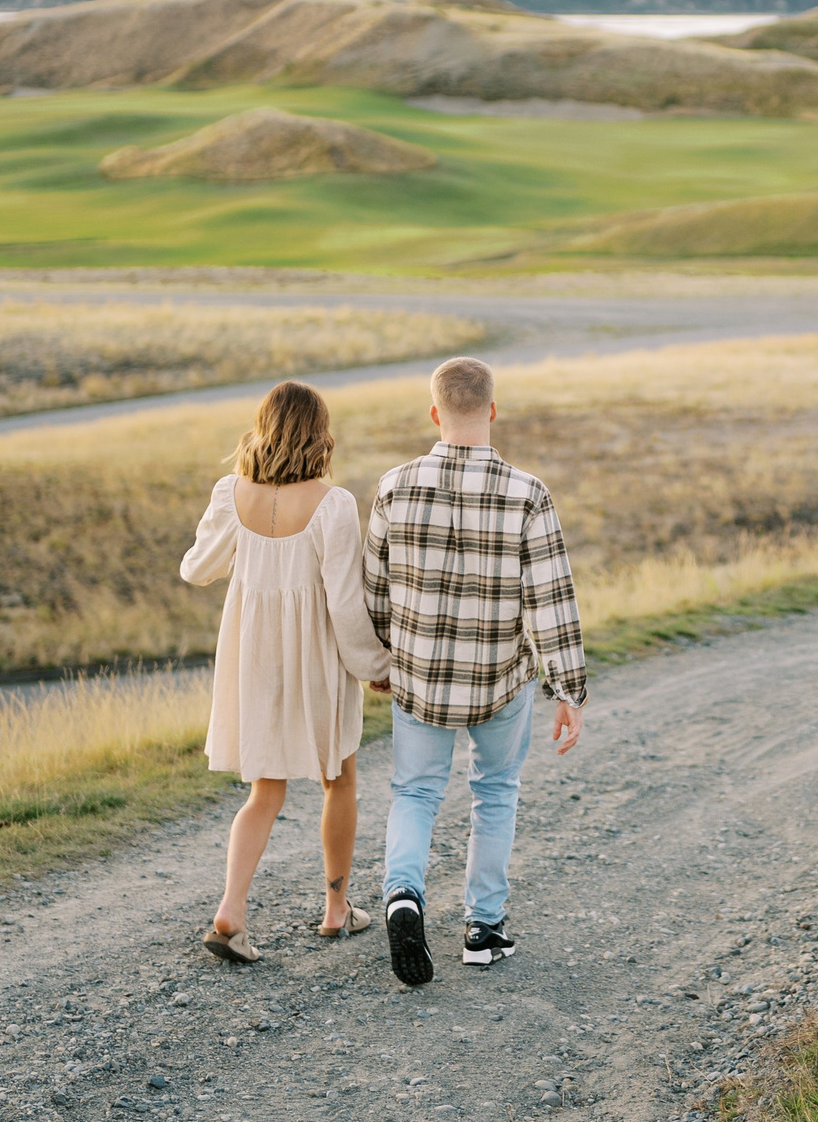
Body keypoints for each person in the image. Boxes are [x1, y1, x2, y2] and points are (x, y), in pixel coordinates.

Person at [366, 355, 587, 986]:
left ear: (435, 413)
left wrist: (384, 659)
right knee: (495, 791)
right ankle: (482, 930)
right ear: (491, 410)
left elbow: (374, 588)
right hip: (499, 681)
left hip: (418, 678)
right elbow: (551, 597)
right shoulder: (528, 493)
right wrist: (567, 688)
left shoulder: (394, 485)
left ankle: (403, 896)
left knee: (415, 792)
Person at [179, 380, 392, 963]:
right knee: (338, 780)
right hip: (318, 657)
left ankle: (231, 912)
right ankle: (336, 909)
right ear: (318, 432)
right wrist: (374, 666)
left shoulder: (231, 492)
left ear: (264, 428)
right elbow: (347, 605)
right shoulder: (333, 503)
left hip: (253, 657)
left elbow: (197, 569)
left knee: (264, 792)